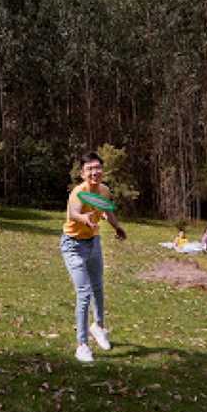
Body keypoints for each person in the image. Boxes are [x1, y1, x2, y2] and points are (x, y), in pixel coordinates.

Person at [60, 151, 127, 363]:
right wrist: (85, 219)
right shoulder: (77, 193)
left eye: (97, 168)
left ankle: (98, 327)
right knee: (84, 292)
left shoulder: (104, 191)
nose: (94, 172)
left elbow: (107, 210)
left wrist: (117, 227)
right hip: (73, 245)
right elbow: (73, 214)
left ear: (102, 170)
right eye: (89, 169)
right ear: (82, 173)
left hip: (94, 242)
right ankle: (82, 345)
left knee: (98, 287)